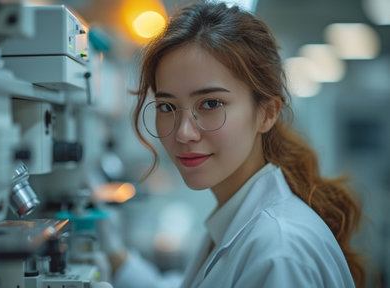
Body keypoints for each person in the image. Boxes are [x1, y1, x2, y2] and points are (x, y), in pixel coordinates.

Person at [97, 1, 366, 287]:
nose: (183, 133)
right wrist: (116, 259)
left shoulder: (279, 253)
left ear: (267, 113)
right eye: (167, 107)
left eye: (211, 103)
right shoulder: (237, 221)